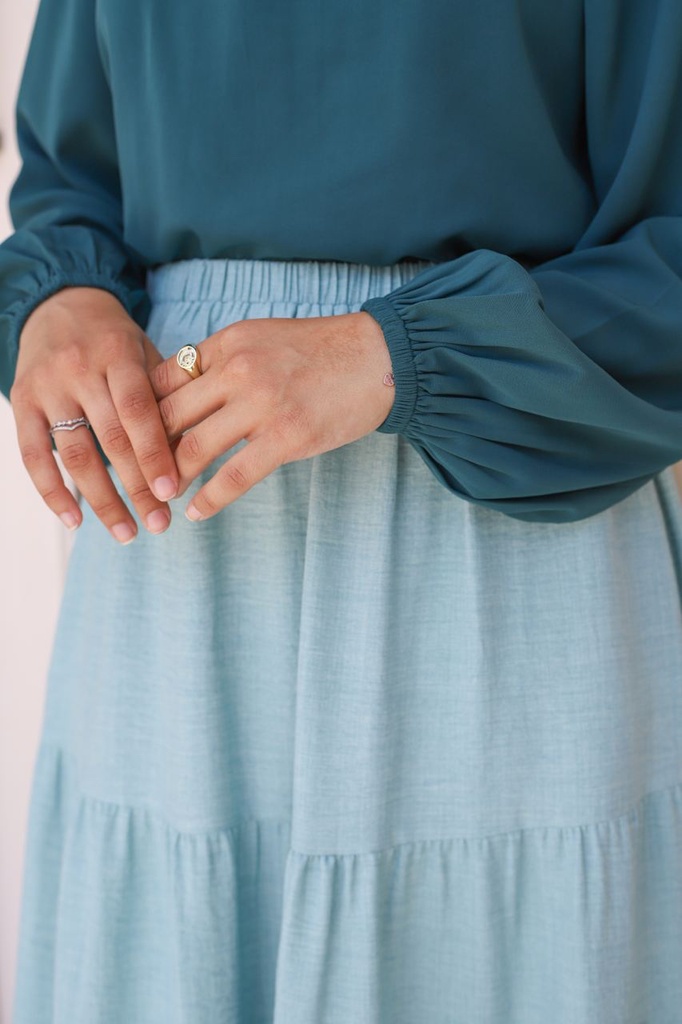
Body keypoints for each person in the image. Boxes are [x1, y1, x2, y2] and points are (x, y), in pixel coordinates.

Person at [1, 0, 682, 1021]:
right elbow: (71, 181)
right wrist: (62, 300)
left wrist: (394, 353)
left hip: (502, 525)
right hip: (179, 555)